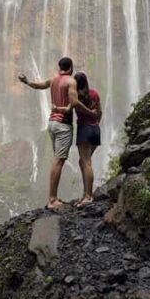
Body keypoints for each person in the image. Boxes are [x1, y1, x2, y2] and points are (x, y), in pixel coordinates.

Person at [18, 57, 97, 209]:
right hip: (62, 125)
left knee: (57, 159)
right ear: (71, 68)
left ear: (59, 67)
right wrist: (90, 112)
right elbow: (74, 102)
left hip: (51, 124)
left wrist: (26, 82)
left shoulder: (53, 79)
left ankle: (53, 198)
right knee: (59, 160)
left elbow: (39, 85)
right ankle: (52, 199)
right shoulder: (71, 81)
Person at [53, 72, 102, 207]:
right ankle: (86, 193)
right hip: (95, 130)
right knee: (83, 162)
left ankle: (88, 196)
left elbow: (69, 109)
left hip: (84, 130)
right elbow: (100, 112)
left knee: (86, 163)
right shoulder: (94, 93)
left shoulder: (75, 96)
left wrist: (56, 109)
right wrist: (96, 123)